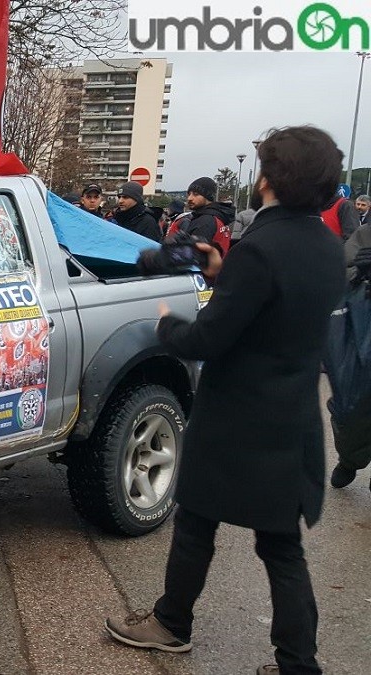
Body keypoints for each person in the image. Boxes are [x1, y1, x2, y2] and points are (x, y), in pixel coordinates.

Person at [104, 126, 348, 675]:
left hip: (236, 419)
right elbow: (278, 312)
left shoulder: (260, 248)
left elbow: (210, 339)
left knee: (195, 524)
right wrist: (224, 272)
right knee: (282, 548)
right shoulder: (327, 248)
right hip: (292, 422)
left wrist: (167, 329)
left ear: (268, 179)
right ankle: (297, 664)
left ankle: (171, 624)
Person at [329, 219, 371, 490]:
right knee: (352, 410)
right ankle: (349, 458)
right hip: (363, 333)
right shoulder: (366, 233)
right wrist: (360, 272)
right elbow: (340, 270)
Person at [165, 177, 234, 256]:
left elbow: (194, 256)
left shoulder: (205, 221)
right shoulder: (218, 216)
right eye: (189, 194)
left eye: (196, 194)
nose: (189, 198)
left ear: (208, 196)